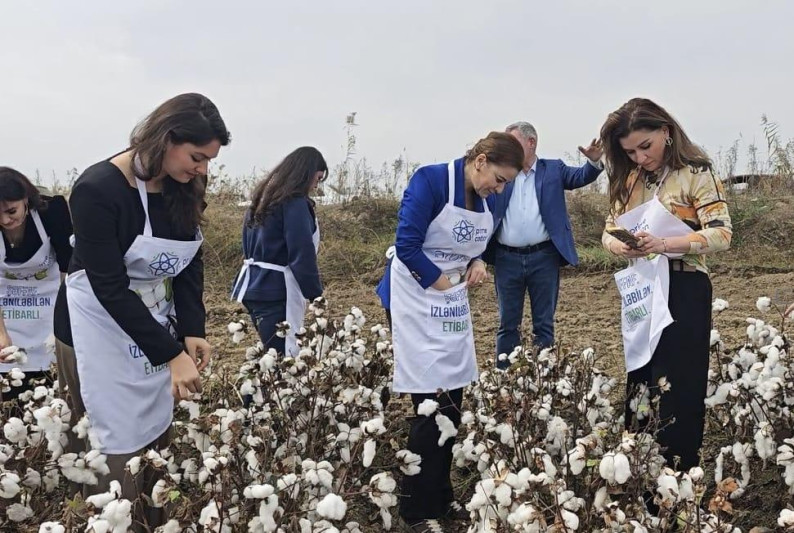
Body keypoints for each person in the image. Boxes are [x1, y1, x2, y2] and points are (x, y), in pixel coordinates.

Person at [52, 93, 230, 529]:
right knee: (108, 439)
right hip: (94, 327)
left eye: (209, 161)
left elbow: (188, 258)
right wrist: (170, 354)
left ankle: (151, 520)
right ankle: (106, 518)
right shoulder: (98, 189)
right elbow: (108, 287)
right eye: (197, 157)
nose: (202, 170)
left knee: (154, 435)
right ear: (166, 139)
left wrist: (191, 329)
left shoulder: (185, 184)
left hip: (153, 323)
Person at [376, 132, 523, 532]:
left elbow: (479, 244)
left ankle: (440, 497)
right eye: (499, 179)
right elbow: (407, 246)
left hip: (449, 303)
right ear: (481, 160)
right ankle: (415, 510)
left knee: (452, 403)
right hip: (415, 299)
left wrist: (478, 262)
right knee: (429, 404)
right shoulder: (431, 180)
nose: (500, 189)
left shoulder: (489, 196)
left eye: (506, 183)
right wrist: (443, 285)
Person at [600, 97, 732, 472]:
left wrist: (664, 244)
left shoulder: (695, 171)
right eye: (630, 152)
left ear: (666, 132)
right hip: (642, 287)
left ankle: (678, 472)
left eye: (646, 146)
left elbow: (721, 234)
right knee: (640, 378)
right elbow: (608, 230)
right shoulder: (630, 178)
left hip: (684, 286)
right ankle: (638, 470)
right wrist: (620, 245)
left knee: (681, 384)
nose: (640, 157)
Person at [483, 122, 603, 367]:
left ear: (531, 142)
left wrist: (593, 162)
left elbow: (581, 177)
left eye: (513, 142)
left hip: (544, 257)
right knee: (508, 324)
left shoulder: (554, 169)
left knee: (544, 325)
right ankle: (504, 379)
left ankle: (543, 378)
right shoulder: (503, 173)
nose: (507, 147)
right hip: (506, 258)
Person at [231, 146, 326, 356]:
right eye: (317, 178)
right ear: (306, 173)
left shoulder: (262, 199)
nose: (316, 185)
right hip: (277, 288)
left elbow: (247, 244)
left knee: (273, 353)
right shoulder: (294, 203)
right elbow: (301, 252)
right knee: (285, 356)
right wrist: (316, 295)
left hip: (254, 285)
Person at [0, 167, 72, 404]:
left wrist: (66, 322)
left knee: (53, 392)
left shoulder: (52, 212)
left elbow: (70, 269)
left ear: (26, 200)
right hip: (7, 315)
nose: (5, 221)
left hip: (49, 310)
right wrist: (1, 333)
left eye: (11, 211)